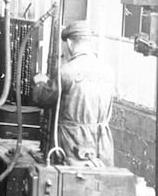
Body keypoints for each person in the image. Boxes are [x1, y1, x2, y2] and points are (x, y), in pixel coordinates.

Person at [32, 20, 115, 166]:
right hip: (101, 146)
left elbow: (42, 100)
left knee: (68, 184)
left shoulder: (66, 71)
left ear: (69, 43)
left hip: (71, 145)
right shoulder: (108, 72)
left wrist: (40, 83)